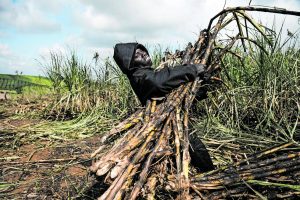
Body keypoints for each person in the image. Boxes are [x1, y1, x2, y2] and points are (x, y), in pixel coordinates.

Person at [113, 42, 214, 172]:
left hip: (174, 118)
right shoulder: (139, 76)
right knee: (193, 147)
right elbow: (158, 82)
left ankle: (205, 172)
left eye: (143, 51)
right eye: (137, 54)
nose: (144, 54)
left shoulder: (148, 73)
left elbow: (181, 94)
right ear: (129, 63)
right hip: (165, 122)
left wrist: (202, 82)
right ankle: (208, 173)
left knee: (193, 148)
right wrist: (192, 69)